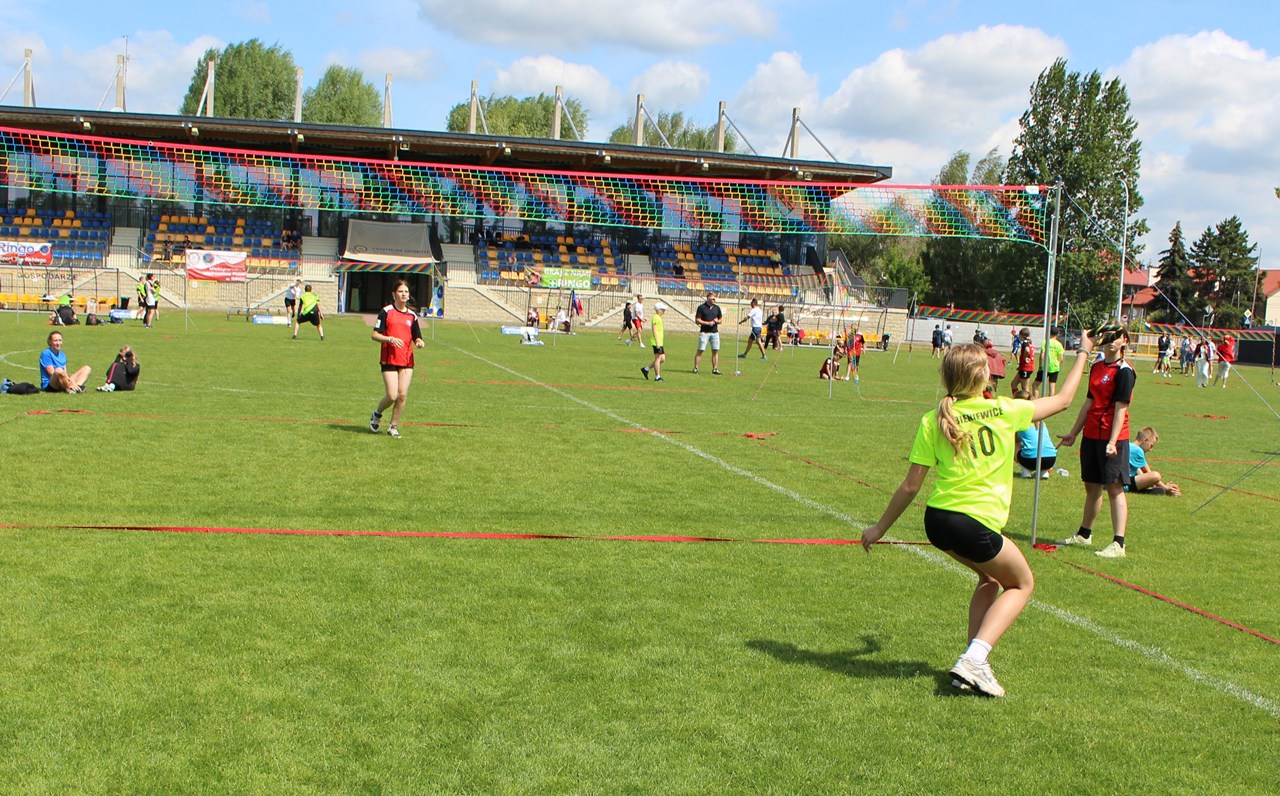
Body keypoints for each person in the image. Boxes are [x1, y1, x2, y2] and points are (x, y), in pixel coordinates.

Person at [860, 334, 1097, 698]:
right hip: (974, 523)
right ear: (983, 377)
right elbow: (1064, 399)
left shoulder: (934, 418)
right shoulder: (1004, 409)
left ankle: (972, 665)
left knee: (989, 578)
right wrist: (1083, 352)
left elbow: (910, 486)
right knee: (1022, 584)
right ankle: (975, 658)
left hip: (938, 520)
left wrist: (879, 527)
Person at [1058, 328, 1136, 558]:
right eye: (1108, 336)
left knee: (1114, 488)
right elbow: (1089, 402)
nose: (1111, 341)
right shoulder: (1097, 367)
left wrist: (1113, 441)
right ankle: (1084, 534)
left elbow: (1121, 408)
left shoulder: (1124, 371)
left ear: (1124, 341)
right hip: (1092, 434)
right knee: (1092, 486)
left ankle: (1119, 543)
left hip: (1112, 437)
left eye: (1116, 337)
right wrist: (1074, 433)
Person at [368, 280, 425, 439]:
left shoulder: (412, 315)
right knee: (392, 395)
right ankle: (377, 414)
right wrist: (390, 339)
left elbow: (417, 336)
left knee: (402, 395)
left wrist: (419, 342)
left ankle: (393, 426)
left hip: (406, 360)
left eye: (406, 291)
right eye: (400, 291)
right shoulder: (386, 312)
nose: (404, 294)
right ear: (394, 294)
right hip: (389, 359)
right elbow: (374, 335)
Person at [1012, 390, 1057, 478]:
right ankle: (1044, 472)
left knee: (1015, 444)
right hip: (1051, 459)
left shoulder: (1020, 420)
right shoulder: (1041, 420)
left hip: (1030, 460)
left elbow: (1014, 440)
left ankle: (1025, 471)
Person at [1128, 426, 1180, 496]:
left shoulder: (1127, 445)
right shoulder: (1138, 451)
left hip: (1117, 482)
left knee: (1138, 470)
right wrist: (1166, 488)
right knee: (1156, 476)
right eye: (1151, 445)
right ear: (1145, 440)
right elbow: (1148, 472)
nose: (1150, 449)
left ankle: (1147, 488)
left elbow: (1140, 472)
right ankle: (1144, 489)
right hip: (1125, 483)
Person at [692, 292, 722, 374]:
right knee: (700, 350)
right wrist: (707, 323)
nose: (714, 300)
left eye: (715, 298)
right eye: (712, 298)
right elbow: (697, 320)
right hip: (704, 333)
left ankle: (715, 369)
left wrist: (717, 321)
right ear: (708, 299)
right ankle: (696, 368)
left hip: (715, 333)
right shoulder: (701, 307)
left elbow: (720, 319)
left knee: (715, 351)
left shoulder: (717, 308)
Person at [1034, 327, 1065, 397]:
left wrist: (1040, 366)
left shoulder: (1045, 342)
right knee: (1052, 386)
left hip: (1045, 367)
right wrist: (1058, 364)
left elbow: (1042, 356)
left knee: (1035, 385)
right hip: (1055, 367)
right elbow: (1061, 358)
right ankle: (1051, 402)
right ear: (1057, 334)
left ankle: (1035, 399)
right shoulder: (1059, 344)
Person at [640, 302, 667, 382]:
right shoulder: (656, 317)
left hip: (660, 342)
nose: (664, 311)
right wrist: (657, 342)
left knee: (662, 358)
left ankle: (646, 369)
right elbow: (654, 330)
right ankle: (657, 376)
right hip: (656, 342)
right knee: (658, 358)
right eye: (663, 309)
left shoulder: (658, 318)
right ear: (659, 310)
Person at [1010, 327, 1035, 395]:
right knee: (1013, 384)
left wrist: (1024, 358)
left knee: (1025, 388)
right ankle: (1017, 398)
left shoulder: (1025, 342)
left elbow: (1027, 350)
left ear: (1022, 335)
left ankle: (1029, 400)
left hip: (1026, 368)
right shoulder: (1030, 342)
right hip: (1024, 367)